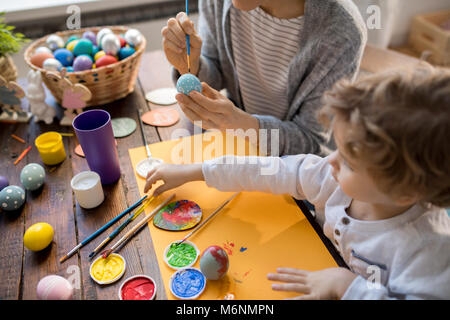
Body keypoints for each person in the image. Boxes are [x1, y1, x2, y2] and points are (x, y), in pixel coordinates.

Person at [144, 66, 450, 299]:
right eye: (338, 148)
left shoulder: (429, 253)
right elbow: (266, 170)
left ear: (404, 191)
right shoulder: (332, 179)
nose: (330, 160)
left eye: (350, 162)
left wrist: (347, 286)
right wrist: (193, 171)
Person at [162, 0, 367, 156]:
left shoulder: (341, 31)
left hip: (299, 172)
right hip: (240, 146)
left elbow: (310, 142)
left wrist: (240, 124)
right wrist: (191, 65)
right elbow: (216, 72)